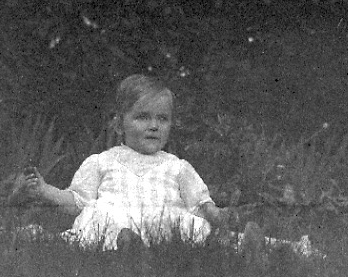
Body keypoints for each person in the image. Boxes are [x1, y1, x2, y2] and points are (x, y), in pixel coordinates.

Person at [17, 74, 259, 252]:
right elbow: (77, 202)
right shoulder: (101, 161)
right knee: (103, 219)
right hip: (116, 219)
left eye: (162, 119)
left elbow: (199, 204)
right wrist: (45, 191)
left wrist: (216, 214)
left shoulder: (177, 166)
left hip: (163, 222)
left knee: (187, 225)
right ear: (118, 124)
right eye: (143, 117)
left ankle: (241, 244)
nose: (154, 126)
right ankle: (126, 245)